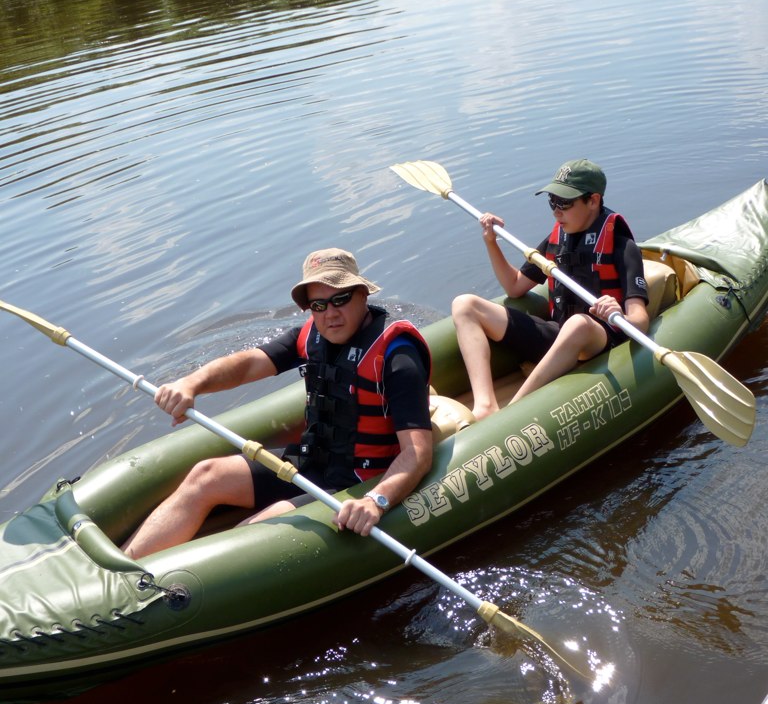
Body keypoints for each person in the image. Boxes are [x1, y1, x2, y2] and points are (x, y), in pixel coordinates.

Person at [124, 248, 434, 559]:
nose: (330, 313)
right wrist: (192, 383)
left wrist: (376, 500)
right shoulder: (311, 336)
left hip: (357, 480)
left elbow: (417, 453)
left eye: (340, 299)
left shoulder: (397, 356)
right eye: (318, 305)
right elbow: (248, 364)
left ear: (362, 294)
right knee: (206, 475)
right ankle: (120, 570)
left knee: (252, 531)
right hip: (310, 461)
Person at [451, 159, 650, 418]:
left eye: (564, 203)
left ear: (593, 200)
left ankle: (509, 415)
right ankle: (485, 405)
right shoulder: (558, 239)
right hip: (559, 334)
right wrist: (491, 242)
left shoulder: (623, 247)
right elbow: (514, 286)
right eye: (552, 201)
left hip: (598, 339)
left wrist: (618, 313)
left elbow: (640, 321)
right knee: (464, 304)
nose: (556, 212)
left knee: (578, 324)